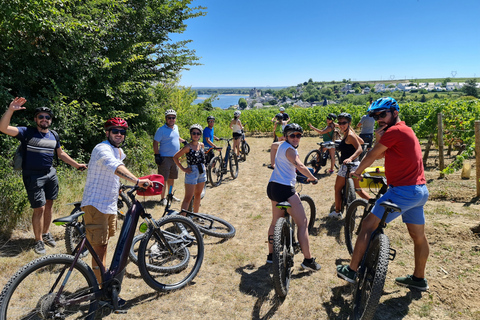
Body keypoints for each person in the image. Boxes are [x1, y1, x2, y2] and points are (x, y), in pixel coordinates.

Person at [337, 97, 430, 291]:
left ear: (395, 113)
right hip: (419, 191)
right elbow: (380, 154)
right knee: (418, 236)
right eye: (375, 115)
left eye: (383, 114)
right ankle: (419, 279)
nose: (379, 119)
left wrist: (358, 172)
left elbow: (371, 156)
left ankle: (352, 270)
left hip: (402, 190)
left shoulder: (395, 131)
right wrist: (379, 141)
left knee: (368, 225)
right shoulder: (405, 130)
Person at [0, 97, 87, 254]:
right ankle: (38, 241)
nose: (44, 119)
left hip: (50, 174)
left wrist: (76, 165)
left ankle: (46, 233)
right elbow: (4, 128)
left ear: (50, 120)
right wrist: (11, 110)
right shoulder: (27, 132)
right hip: (33, 176)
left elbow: (60, 154)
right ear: (36, 119)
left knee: (49, 204)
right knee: (38, 208)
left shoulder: (53, 135)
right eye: (41, 116)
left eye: (47, 117)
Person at [81, 117, 153, 286]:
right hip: (96, 205)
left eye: (122, 132)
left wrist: (120, 187)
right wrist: (137, 181)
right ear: (107, 133)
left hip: (109, 205)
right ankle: (99, 290)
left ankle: (101, 283)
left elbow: (113, 173)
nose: (119, 135)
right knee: (98, 250)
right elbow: (114, 166)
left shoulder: (118, 151)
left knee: (104, 245)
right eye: (115, 131)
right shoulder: (102, 148)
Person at [266, 123, 321, 271]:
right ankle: (308, 260)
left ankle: (271, 256)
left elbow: (274, 147)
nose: (296, 138)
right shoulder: (291, 150)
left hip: (272, 187)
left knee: (274, 222)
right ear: (286, 136)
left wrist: (275, 164)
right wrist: (312, 178)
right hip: (285, 189)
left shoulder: (281, 145)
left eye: (298, 135)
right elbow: (300, 166)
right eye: (292, 135)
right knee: (303, 223)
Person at [329, 113, 371, 219]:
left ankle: (337, 212)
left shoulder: (350, 135)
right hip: (356, 165)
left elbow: (360, 149)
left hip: (347, 165)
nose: (341, 125)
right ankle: (375, 206)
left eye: (344, 123)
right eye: (340, 123)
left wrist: (350, 158)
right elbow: (361, 142)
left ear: (349, 123)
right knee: (358, 190)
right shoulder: (349, 133)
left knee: (337, 189)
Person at [153, 109, 186, 206]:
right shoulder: (161, 130)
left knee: (172, 178)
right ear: (166, 118)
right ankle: (162, 198)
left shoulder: (176, 127)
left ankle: (170, 195)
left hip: (175, 158)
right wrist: (157, 155)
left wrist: (184, 142)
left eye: (173, 117)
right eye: (169, 117)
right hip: (165, 158)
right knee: (164, 179)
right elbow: (155, 143)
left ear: (175, 119)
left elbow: (176, 137)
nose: (171, 119)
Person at [174, 124, 207, 214]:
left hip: (201, 171)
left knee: (198, 195)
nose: (196, 135)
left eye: (198, 133)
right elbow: (175, 157)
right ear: (191, 134)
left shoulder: (201, 145)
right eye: (194, 133)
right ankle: (183, 221)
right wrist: (183, 169)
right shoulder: (187, 147)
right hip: (192, 172)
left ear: (200, 135)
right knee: (188, 197)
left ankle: (196, 216)